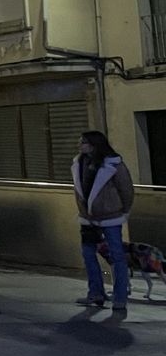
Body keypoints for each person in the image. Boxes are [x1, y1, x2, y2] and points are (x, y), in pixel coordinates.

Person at [73, 130, 134, 312]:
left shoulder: (114, 164)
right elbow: (79, 190)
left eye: (83, 142)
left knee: (117, 256)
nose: (80, 145)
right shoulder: (80, 163)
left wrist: (122, 210)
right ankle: (96, 292)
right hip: (88, 218)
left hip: (110, 217)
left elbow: (126, 190)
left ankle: (120, 296)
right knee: (88, 255)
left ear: (93, 144)